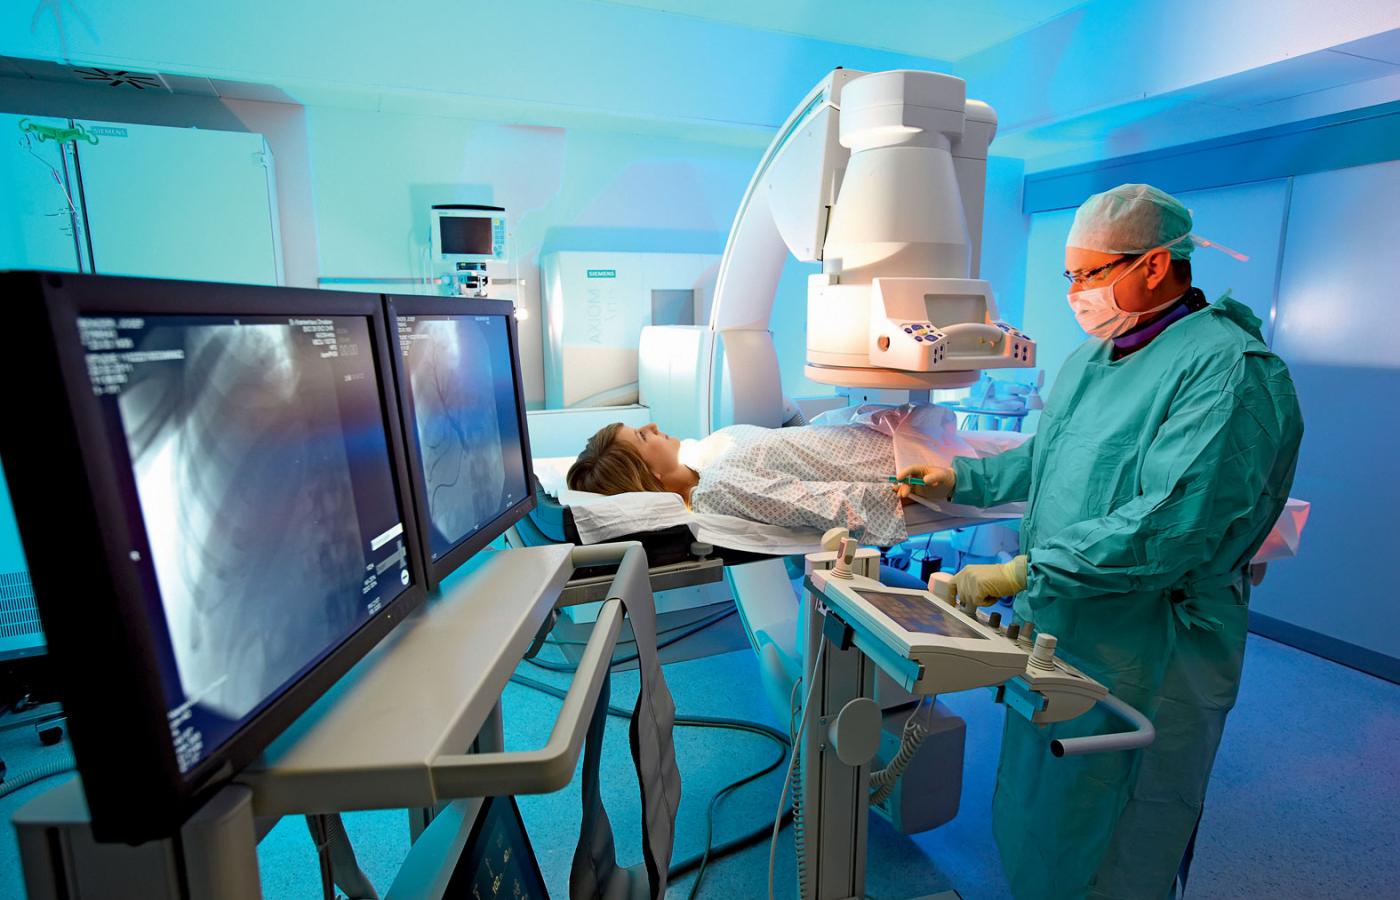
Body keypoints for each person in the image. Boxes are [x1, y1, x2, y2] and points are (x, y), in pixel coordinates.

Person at [899, 183, 1303, 899]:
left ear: (1153, 265)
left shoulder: (1229, 371)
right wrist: (959, 479)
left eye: (1088, 274)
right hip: (1066, 614)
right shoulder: (1096, 357)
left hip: (1149, 643)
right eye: (1070, 276)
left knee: (1117, 822)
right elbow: (1047, 455)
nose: (1075, 294)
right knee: (1045, 799)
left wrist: (1022, 572)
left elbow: (1172, 523)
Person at [566, 417, 916, 546]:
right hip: (901, 463)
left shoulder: (704, 457)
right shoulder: (716, 490)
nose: (653, 426)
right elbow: (820, 504)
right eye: (642, 436)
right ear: (649, 475)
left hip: (885, 434)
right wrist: (921, 491)